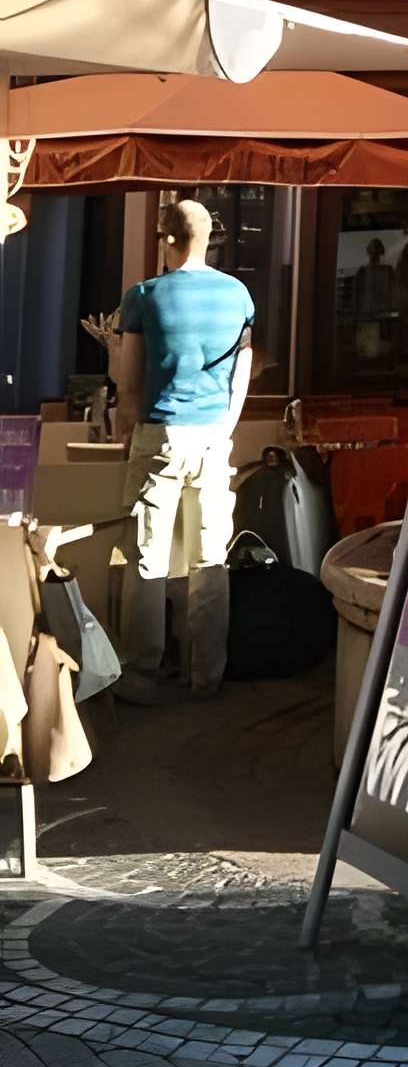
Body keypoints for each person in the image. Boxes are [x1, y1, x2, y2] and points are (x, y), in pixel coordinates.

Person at [113, 198, 256, 703]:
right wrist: (226, 426)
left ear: (167, 239)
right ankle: (206, 675)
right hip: (214, 435)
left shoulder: (144, 295)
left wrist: (130, 430)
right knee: (209, 558)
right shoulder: (238, 293)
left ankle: (140, 674)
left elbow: (127, 382)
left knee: (147, 557)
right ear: (209, 239)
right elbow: (242, 371)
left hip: (162, 433)